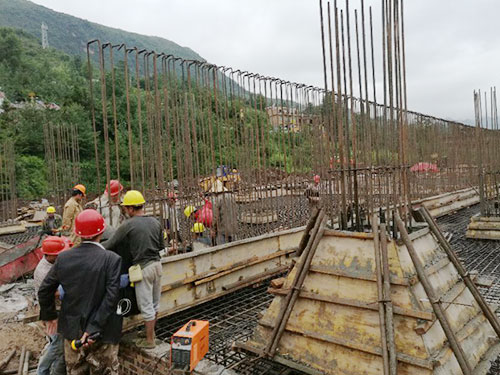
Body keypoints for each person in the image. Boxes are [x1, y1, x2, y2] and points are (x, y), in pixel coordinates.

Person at [39, 209, 122, 375]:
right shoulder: (111, 259)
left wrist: (50, 316)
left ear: (78, 233)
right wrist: (93, 328)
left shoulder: (64, 258)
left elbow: (44, 289)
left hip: (72, 332)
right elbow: (111, 297)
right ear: (102, 231)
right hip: (103, 333)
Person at [103, 190, 164, 349]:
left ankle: (149, 341)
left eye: (125, 208)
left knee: (146, 306)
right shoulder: (155, 222)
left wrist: (90, 247)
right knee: (155, 303)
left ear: (130, 208)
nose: (124, 211)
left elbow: (110, 244)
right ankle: (151, 332)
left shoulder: (128, 224)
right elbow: (161, 246)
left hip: (143, 268)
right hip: (158, 265)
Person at [34, 236, 72, 375]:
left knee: (56, 345)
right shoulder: (44, 270)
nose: (59, 256)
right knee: (56, 346)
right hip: (51, 312)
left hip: (54, 310)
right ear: (49, 254)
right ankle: (42, 372)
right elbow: (53, 293)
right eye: (57, 254)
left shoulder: (51, 264)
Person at [209, 180, 238, 245]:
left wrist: (213, 229)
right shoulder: (231, 196)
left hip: (222, 229)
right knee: (234, 247)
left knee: (222, 248)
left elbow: (215, 216)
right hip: (233, 227)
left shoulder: (217, 199)